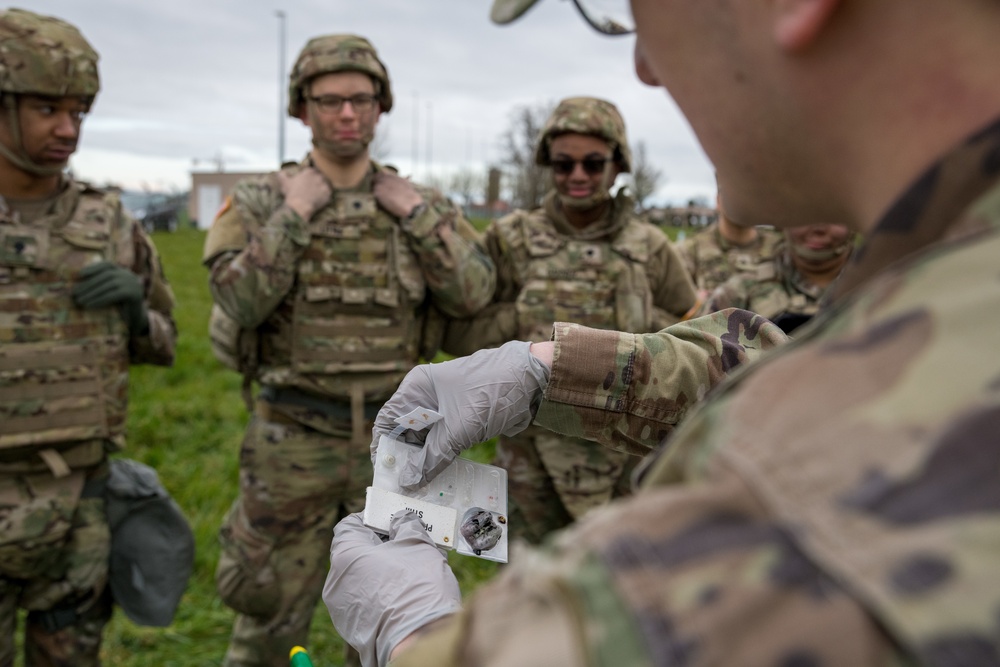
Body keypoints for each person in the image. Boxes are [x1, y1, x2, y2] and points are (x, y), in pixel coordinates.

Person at [323, 0, 1000, 665]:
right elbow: (800, 354)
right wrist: (547, 368)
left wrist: (412, 637)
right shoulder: (947, 267)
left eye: (639, 10)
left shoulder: (801, 520)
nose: (645, 65)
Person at [201, 33, 495, 667]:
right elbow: (238, 302)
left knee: (391, 615)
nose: (346, 114)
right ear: (301, 109)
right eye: (329, 100)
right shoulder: (260, 201)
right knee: (268, 617)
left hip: (395, 447)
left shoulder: (420, 204)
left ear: (380, 107)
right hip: (292, 442)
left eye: (361, 100)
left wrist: (416, 214)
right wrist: (293, 215)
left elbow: (474, 294)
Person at [0, 8, 177, 666]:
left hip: (78, 510)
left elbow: (165, 342)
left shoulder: (107, 223)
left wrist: (136, 312)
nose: (67, 129)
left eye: (79, 111)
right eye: (48, 108)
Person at [443, 96, 697, 543]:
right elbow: (459, 332)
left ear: (617, 165)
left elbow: (687, 336)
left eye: (592, 163)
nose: (577, 176)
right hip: (528, 452)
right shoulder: (512, 238)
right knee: (525, 587)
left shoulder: (651, 247)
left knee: (623, 587)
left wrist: (636, 322)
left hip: (627, 452)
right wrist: (524, 319)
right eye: (563, 165)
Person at [701, 222, 853, 334]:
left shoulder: (874, 282)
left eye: (833, 217)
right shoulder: (742, 288)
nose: (819, 228)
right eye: (806, 216)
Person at [677, 190, 783, 296]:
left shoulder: (780, 248)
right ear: (718, 201)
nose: (742, 201)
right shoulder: (690, 250)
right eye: (734, 193)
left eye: (749, 194)